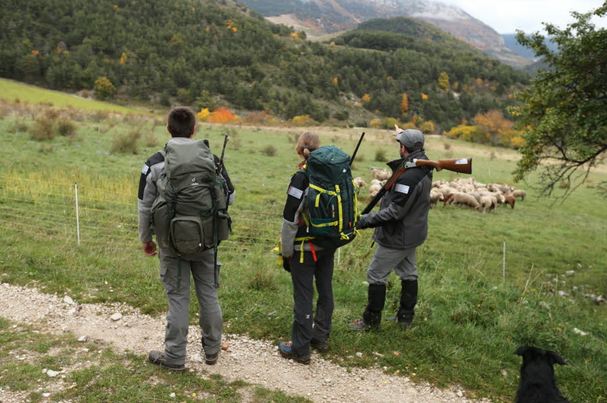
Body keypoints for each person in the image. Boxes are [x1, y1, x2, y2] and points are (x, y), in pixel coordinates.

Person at [137, 106, 234, 370]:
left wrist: (147, 239)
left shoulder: (154, 162)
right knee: (208, 294)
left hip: (170, 242)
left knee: (178, 297)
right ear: (194, 130)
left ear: (168, 128)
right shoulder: (211, 160)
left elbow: (144, 206)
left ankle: (175, 357)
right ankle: (212, 351)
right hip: (206, 240)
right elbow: (230, 197)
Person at [351, 128, 432, 331]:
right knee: (408, 272)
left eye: (400, 144)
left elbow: (395, 212)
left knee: (376, 274)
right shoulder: (422, 166)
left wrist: (365, 220)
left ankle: (370, 321)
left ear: (403, 147)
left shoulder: (409, 176)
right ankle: (405, 318)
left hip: (398, 235)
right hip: (412, 233)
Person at [277, 132, 336, 364]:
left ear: (300, 149)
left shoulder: (302, 178)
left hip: (304, 247)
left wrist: (286, 250)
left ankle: (300, 349)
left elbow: (290, 217)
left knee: (303, 294)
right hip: (327, 244)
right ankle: (320, 337)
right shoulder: (330, 176)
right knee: (325, 289)